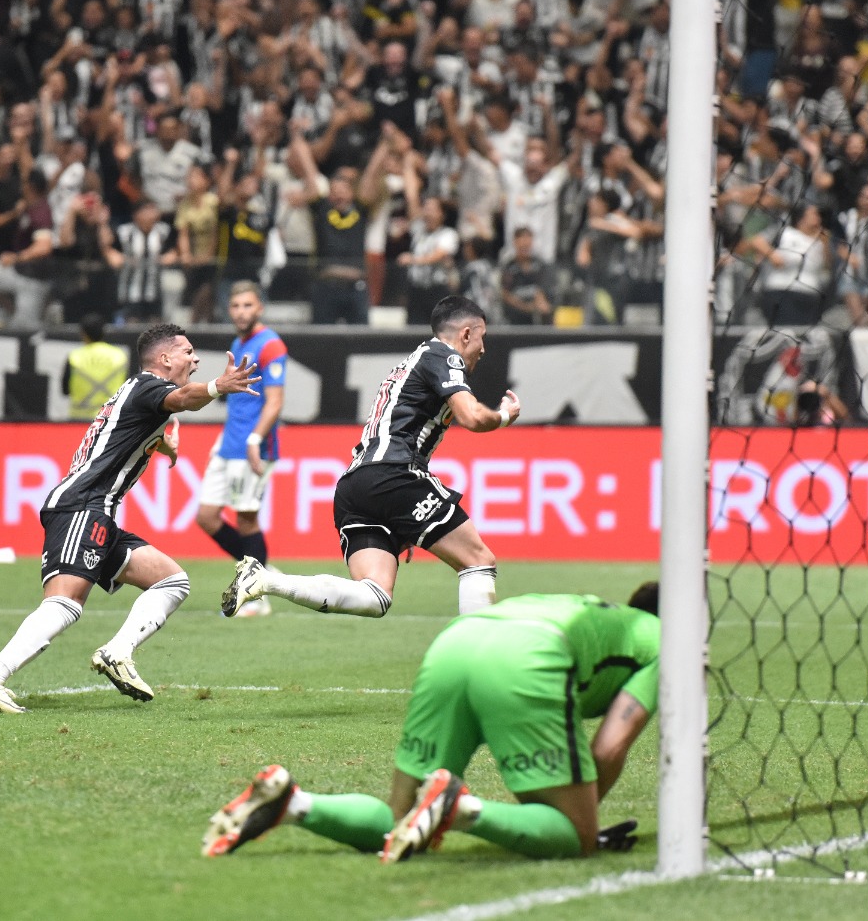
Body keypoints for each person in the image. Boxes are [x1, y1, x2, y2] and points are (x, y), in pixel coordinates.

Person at [203, 585, 659, 862]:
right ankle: (460, 808)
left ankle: (295, 803)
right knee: (576, 837)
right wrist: (580, 817)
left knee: (399, 820)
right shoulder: (670, 639)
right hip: (528, 657)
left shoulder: (604, 614)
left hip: (455, 642)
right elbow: (608, 750)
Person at [0, 324, 261, 712]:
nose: (195, 358)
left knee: (171, 580)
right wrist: (218, 387)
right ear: (165, 358)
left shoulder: (139, 392)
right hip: (82, 506)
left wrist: (161, 446)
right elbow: (187, 398)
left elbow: (127, 433)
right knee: (66, 602)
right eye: (188, 352)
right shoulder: (149, 386)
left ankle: (117, 652)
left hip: (97, 511)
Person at [222, 295, 518, 620]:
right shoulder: (442, 355)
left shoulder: (412, 362)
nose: (483, 348)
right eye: (481, 337)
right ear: (465, 334)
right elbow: (473, 417)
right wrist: (503, 416)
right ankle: (476, 659)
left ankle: (265, 580)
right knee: (477, 559)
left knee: (374, 595)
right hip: (395, 474)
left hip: (355, 486)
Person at [195, 282, 287, 617]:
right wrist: (223, 442)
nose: (241, 312)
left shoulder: (271, 345)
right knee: (206, 517)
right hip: (228, 446)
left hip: (253, 447)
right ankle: (262, 573)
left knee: (246, 520)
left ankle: (257, 597)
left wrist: (253, 440)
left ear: (259, 307)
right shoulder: (239, 342)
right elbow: (237, 402)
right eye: (235, 306)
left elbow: (274, 403)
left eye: (247, 305)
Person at [62, 314, 130, 422]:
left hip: (79, 420)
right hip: (111, 419)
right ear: (103, 332)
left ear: (83, 333)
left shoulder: (74, 357)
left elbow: (65, 390)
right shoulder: (119, 356)